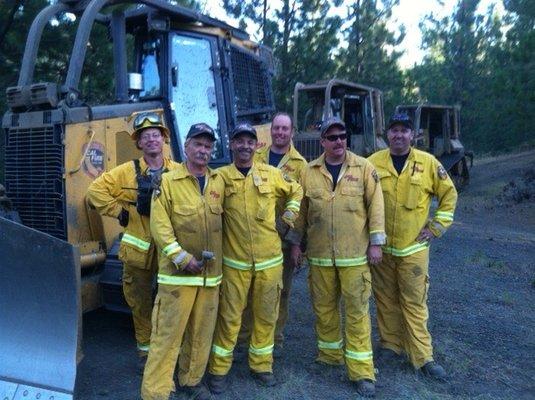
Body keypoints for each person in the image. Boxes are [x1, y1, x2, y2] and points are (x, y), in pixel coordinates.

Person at [291, 117, 386, 398]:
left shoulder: (364, 167)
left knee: (357, 314)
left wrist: (376, 243)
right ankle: (329, 357)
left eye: (342, 136)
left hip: (354, 257)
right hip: (320, 257)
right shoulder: (309, 171)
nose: (338, 141)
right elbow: (301, 211)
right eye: (332, 137)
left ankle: (361, 371)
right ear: (322, 142)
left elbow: (376, 206)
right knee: (324, 310)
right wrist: (296, 244)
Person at [206, 123, 303, 392]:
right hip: (235, 263)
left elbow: (296, 191)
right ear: (232, 145)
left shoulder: (271, 174)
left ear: (256, 145)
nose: (245, 146)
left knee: (266, 316)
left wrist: (290, 214)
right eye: (240, 141)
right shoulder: (220, 177)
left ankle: (262, 365)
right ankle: (219, 370)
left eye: (250, 141)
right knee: (230, 317)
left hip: (270, 262)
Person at [368, 113, 457, 381]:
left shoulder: (428, 163)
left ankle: (423, 357)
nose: (398, 135)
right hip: (382, 250)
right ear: (387, 135)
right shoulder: (373, 163)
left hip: (412, 250)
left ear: (412, 134)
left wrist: (435, 228)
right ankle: (391, 346)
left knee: (414, 303)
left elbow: (449, 195)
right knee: (385, 300)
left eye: (403, 131)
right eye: (393, 131)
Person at [87, 112, 179, 369]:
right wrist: (120, 212)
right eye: (145, 137)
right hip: (138, 249)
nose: (151, 140)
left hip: (168, 249)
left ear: (164, 139)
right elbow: (95, 191)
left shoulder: (177, 172)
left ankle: (168, 351)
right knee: (140, 303)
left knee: (170, 301)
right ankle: (146, 353)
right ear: (139, 143)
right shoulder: (126, 172)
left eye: (155, 135)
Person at [141, 123, 224, 400]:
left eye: (208, 146)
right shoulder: (166, 182)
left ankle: (191, 381)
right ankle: (156, 392)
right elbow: (160, 227)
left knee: (201, 335)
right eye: (198, 144)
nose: (203, 150)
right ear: (186, 147)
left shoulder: (218, 182)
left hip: (210, 277)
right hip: (177, 278)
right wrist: (182, 258)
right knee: (166, 337)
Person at [238, 112, 307, 354]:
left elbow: (303, 204)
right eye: (276, 128)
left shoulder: (300, 164)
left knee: (280, 292)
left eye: (284, 129)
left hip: (285, 239)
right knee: (248, 292)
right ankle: (245, 339)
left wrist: (297, 243)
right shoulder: (256, 154)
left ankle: (274, 339)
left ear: (291, 132)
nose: (279, 132)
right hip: (255, 237)